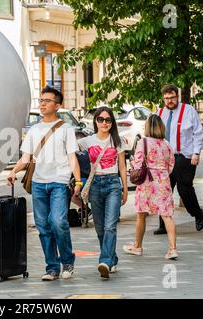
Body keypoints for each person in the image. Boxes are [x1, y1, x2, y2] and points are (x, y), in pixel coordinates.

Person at [7, 86, 81, 281]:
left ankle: (67, 261)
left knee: (58, 222)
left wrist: (78, 182)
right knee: (43, 226)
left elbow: (73, 158)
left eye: (47, 101)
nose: (42, 103)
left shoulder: (66, 129)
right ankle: (52, 268)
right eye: (41, 100)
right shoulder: (34, 129)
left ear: (57, 105)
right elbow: (26, 157)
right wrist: (14, 171)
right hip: (39, 183)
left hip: (59, 182)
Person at [77, 106, 128, 280]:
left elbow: (122, 166)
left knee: (110, 226)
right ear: (96, 121)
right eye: (101, 119)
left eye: (108, 120)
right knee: (100, 229)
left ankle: (105, 260)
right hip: (95, 185)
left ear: (112, 122)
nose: (104, 123)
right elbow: (69, 151)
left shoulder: (117, 141)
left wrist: (125, 189)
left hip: (113, 183)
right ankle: (112, 258)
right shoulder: (87, 141)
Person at [123, 114, 178, 259]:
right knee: (167, 215)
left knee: (141, 215)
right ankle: (172, 249)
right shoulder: (167, 144)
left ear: (147, 126)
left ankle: (138, 246)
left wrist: (133, 161)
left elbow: (138, 163)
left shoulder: (143, 141)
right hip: (164, 182)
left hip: (147, 182)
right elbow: (171, 164)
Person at [154, 84, 203, 235]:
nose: (169, 101)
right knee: (163, 192)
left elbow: (198, 133)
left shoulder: (189, 111)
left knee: (185, 190)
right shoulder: (160, 113)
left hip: (184, 157)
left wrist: (196, 153)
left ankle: (197, 214)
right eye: (166, 98)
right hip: (164, 159)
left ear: (177, 96)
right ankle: (163, 224)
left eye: (172, 97)